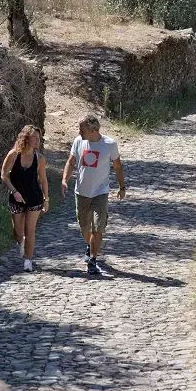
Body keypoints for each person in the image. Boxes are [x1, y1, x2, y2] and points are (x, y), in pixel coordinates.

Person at [61, 115, 126, 275]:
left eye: (81, 129)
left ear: (92, 130)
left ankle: (92, 259)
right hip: (81, 192)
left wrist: (122, 186)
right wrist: (64, 181)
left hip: (100, 192)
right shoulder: (78, 141)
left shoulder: (109, 144)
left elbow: (117, 166)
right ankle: (90, 246)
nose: (79, 132)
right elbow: (71, 162)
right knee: (84, 228)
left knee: (98, 227)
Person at [0, 124, 50, 272]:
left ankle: (28, 260)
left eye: (39, 138)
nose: (38, 141)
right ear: (26, 138)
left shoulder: (40, 159)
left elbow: (43, 180)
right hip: (16, 198)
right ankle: (20, 242)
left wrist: (46, 199)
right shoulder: (13, 155)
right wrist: (14, 191)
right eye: (35, 138)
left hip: (34, 197)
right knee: (17, 232)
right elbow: (4, 175)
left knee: (30, 230)